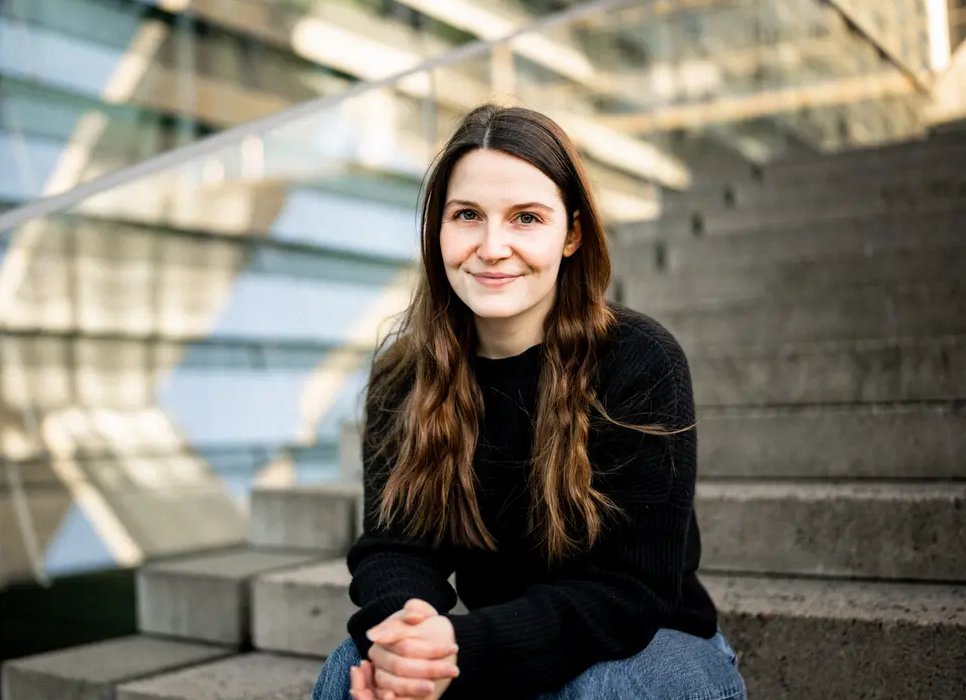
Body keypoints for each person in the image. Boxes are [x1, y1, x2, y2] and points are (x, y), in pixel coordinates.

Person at [309, 104, 747, 700]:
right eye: (467, 215)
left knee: (600, 690)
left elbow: (630, 593)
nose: (492, 247)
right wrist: (410, 637)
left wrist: (460, 648)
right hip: (495, 644)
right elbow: (393, 548)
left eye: (525, 218)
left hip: (650, 650)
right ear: (437, 230)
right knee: (348, 671)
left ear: (570, 234)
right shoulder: (403, 376)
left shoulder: (639, 361)